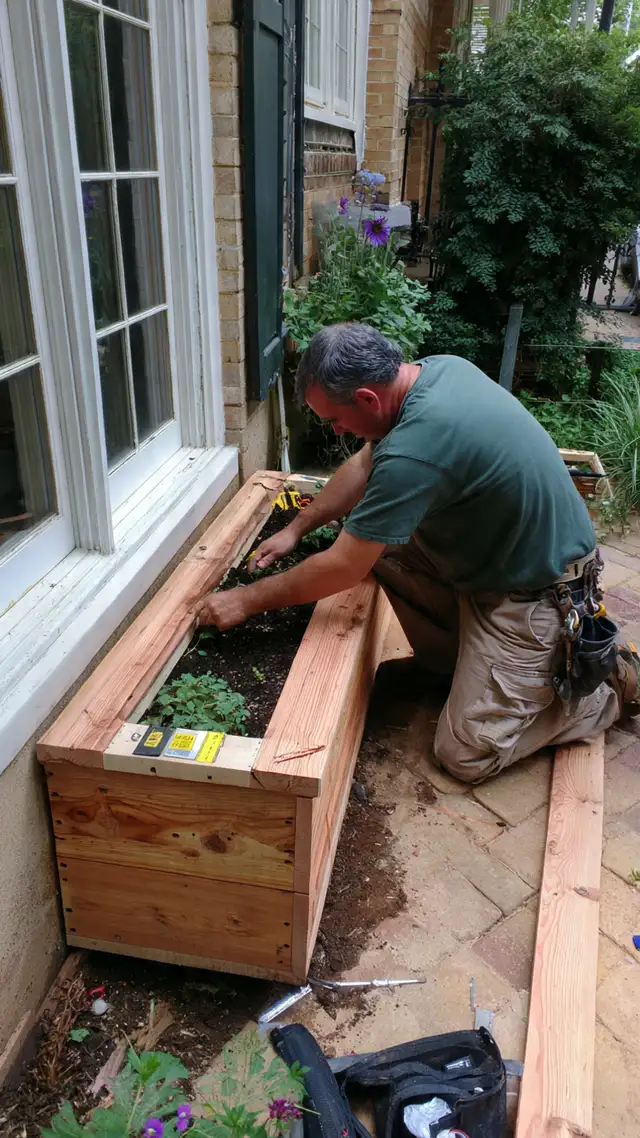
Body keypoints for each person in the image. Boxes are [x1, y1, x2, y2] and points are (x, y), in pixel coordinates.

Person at [195, 323, 639, 783]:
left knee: (465, 754)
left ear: (368, 398)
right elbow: (367, 462)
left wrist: (245, 600)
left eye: (334, 420)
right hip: (495, 561)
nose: (339, 431)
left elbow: (344, 567)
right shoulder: (437, 371)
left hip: (536, 596)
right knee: (375, 541)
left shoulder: (415, 449)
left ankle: (597, 693)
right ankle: (447, 663)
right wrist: (298, 526)